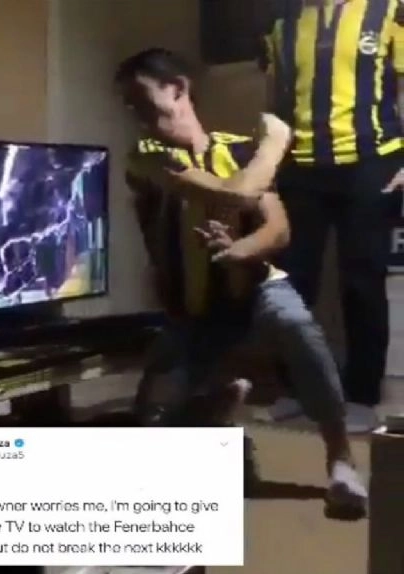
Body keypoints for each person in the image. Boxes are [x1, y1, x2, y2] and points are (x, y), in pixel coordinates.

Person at [115, 47, 367, 514]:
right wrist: (275, 143)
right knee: (150, 428)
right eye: (128, 103)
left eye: (140, 97)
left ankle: (341, 462)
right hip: (191, 308)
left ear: (178, 89)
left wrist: (241, 250)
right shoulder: (146, 156)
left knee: (298, 328)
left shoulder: (239, 151)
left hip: (259, 287)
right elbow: (236, 196)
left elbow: (278, 227)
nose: (135, 111)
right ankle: (222, 428)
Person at [260, 0, 404, 432]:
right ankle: (295, 388)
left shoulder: (389, 10)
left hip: (372, 162)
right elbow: (275, 99)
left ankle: (362, 394)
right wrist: (268, 162)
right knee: (289, 283)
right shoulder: (282, 22)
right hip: (300, 167)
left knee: (362, 281)